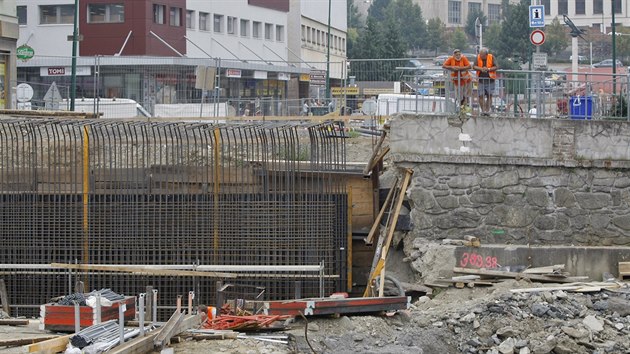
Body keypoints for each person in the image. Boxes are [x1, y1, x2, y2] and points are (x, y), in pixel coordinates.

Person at [473, 48, 498, 116]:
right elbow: (474, 66)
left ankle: (487, 111)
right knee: (480, 95)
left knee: (489, 96)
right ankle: (483, 111)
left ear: (486, 55)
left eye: (482, 55)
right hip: (481, 80)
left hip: (490, 80)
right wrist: (481, 69)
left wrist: (488, 69)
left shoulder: (492, 57)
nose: (481, 56)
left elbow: (496, 66)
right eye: (480, 54)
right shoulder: (478, 57)